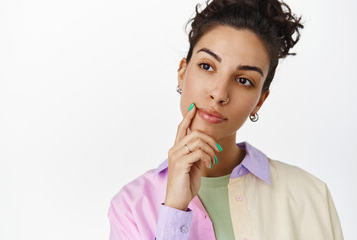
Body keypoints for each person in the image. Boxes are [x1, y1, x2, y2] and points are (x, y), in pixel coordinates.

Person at [108, 0, 344, 239]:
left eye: (244, 80)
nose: (219, 94)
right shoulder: (130, 206)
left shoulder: (309, 196)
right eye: (207, 66)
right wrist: (174, 210)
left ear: (260, 100)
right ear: (182, 73)